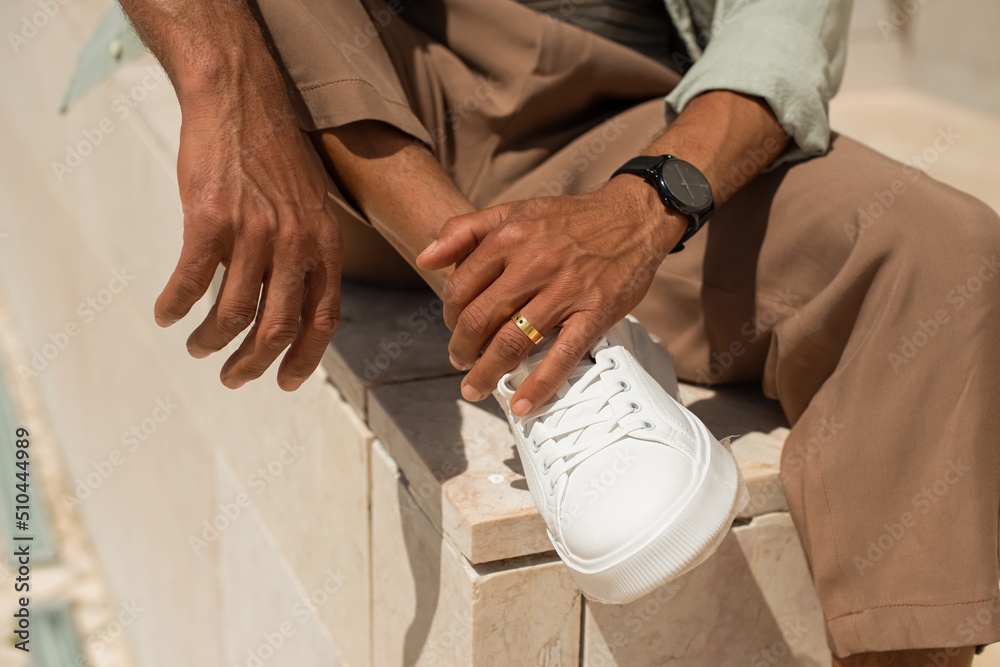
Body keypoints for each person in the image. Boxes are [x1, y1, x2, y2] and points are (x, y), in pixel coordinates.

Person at [117, 0, 1000, 663]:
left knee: (943, 251)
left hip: (625, 115)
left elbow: (782, 28)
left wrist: (644, 206)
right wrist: (223, 85)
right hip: (355, 122)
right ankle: (525, 328)